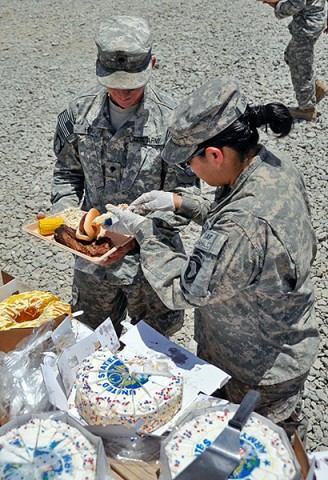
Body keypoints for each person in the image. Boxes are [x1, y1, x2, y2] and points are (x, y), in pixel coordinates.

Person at [102, 78, 320, 440]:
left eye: (190, 163)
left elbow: (183, 289)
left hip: (255, 369)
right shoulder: (269, 166)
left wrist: (145, 232)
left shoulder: (245, 224)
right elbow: (232, 215)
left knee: (250, 450)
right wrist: (179, 203)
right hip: (273, 343)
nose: (192, 173)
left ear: (215, 154)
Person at [48, 16, 197, 337]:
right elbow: (66, 173)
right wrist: (68, 218)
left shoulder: (174, 121)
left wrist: (135, 235)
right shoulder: (78, 113)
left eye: (132, 83)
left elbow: (185, 199)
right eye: (113, 82)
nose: (123, 92)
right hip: (93, 261)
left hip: (152, 262)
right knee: (90, 337)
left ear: (152, 64)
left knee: (156, 352)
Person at [259, 0, 328, 121]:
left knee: (300, 65)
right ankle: (316, 88)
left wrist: (276, 5)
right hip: (313, 22)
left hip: (307, 26)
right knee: (291, 56)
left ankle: (306, 109)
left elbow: (296, 4)